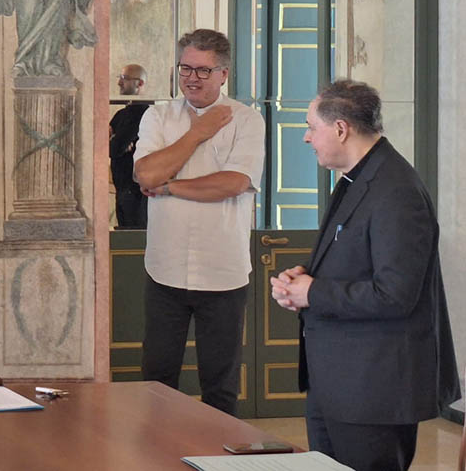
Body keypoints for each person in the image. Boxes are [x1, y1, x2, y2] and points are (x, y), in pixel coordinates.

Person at [270, 80, 460, 471]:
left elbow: (395, 294)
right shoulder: (358, 177)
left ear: (341, 129)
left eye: (311, 127)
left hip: (374, 390)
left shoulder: (395, 190)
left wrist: (313, 293)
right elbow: (355, 257)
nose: (306, 138)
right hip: (337, 383)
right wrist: (303, 279)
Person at [133, 29, 265, 415]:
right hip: (165, 269)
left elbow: (233, 183)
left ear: (224, 74)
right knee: (156, 380)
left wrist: (170, 187)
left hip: (222, 271)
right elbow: (145, 175)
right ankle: (156, 448)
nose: (192, 78)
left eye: (203, 71)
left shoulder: (247, 120)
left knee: (220, 385)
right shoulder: (158, 115)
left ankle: (218, 450)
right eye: (185, 68)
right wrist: (197, 134)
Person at [110, 63, 149, 228]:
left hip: (136, 191)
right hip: (121, 188)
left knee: (134, 235)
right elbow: (102, 144)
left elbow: (115, 148)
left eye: (124, 78)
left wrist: (115, 141)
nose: (119, 82)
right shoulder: (121, 114)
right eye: (120, 77)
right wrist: (116, 142)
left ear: (139, 83)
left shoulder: (144, 113)